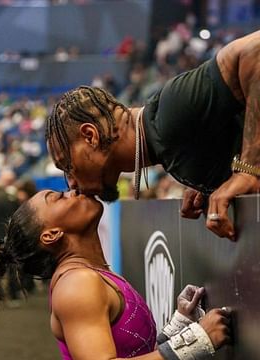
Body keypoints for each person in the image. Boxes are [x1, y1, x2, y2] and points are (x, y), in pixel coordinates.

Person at [44, 30, 260, 240]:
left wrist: (248, 172)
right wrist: (213, 184)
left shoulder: (171, 111)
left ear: (91, 136)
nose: (71, 183)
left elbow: (254, 51)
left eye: (67, 166)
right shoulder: (165, 141)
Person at [0, 190, 231, 359]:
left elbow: (131, 351)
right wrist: (195, 341)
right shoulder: (77, 284)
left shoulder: (88, 274)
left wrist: (179, 326)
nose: (71, 191)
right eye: (58, 197)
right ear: (51, 235)